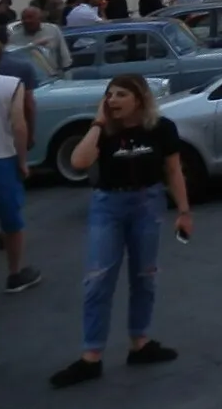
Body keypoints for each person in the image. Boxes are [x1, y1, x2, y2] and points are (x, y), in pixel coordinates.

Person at [49, 73, 194, 387]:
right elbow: (78, 161)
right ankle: (91, 356)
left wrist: (183, 211)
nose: (113, 100)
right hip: (109, 206)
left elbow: (173, 170)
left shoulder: (161, 128)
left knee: (145, 275)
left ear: (139, 99)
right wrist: (98, 123)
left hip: (148, 202)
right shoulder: (103, 131)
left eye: (120, 95)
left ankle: (139, 342)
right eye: (109, 95)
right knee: (98, 279)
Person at [0, 39, 39, 294]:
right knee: (11, 218)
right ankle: (15, 273)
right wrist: (22, 160)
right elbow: (19, 126)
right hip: (1, 157)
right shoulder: (10, 85)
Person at [8, 6, 70, 80]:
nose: (27, 21)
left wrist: (66, 77)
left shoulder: (53, 30)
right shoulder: (14, 37)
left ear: (39, 18)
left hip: (54, 77)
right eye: (24, 18)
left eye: (30, 17)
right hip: (29, 80)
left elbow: (64, 56)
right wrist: (33, 45)